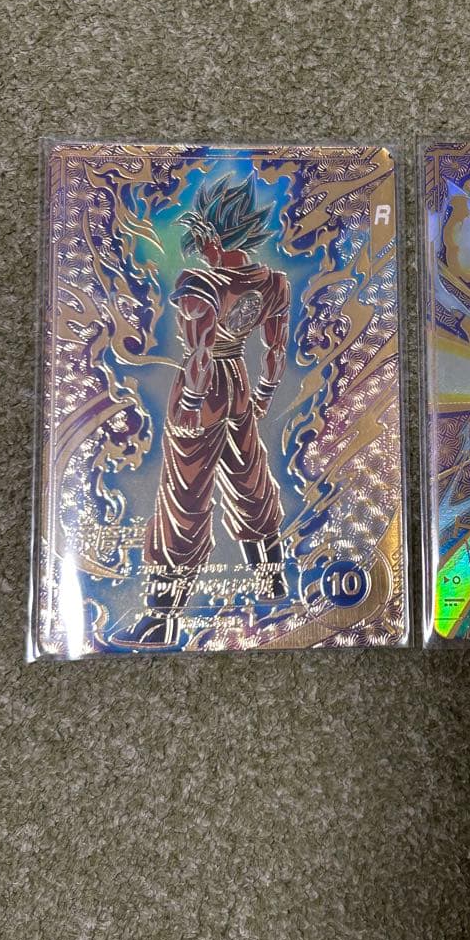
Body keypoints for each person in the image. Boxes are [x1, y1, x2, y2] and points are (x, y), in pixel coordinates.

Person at [110, 174, 290, 650]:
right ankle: (273, 585)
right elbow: (275, 351)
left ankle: (162, 620)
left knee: (184, 496)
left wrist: (191, 402)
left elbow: (200, 353)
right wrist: (264, 394)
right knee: (251, 480)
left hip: (203, 389)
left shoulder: (200, 284)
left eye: (201, 238)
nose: (199, 248)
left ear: (213, 235)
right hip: (240, 386)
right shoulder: (273, 283)